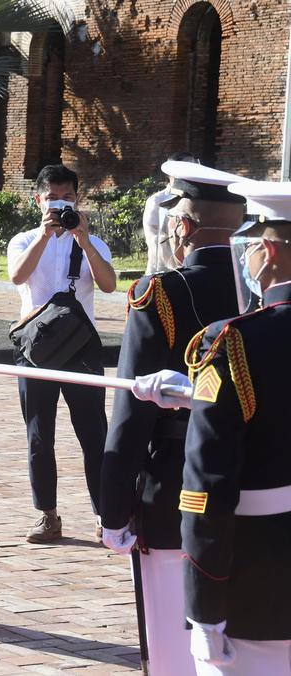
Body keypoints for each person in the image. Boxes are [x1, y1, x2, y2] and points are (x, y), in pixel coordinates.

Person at [99, 161, 246, 675]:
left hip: (178, 493)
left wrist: (114, 511)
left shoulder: (159, 293)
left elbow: (131, 414)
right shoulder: (272, 296)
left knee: (171, 651)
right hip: (261, 490)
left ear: (182, 226)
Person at [145, 180, 291, 676]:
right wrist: (196, 394)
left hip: (261, 581)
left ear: (268, 252)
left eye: (250, 246)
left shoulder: (235, 344)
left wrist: (205, 612)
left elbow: (206, 489)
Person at [7, 164, 116, 543]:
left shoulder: (92, 242)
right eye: (53, 197)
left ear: (78, 198)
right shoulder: (23, 239)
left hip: (80, 346)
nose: (60, 204)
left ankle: (105, 514)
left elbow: (108, 284)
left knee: (93, 432)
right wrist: (44, 234)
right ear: (38, 199)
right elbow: (18, 277)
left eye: (67, 197)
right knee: (40, 433)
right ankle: (48, 515)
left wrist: (82, 239)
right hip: (35, 347)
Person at [144, 152, 200, 274]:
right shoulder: (157, 201)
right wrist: (173, 266)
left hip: (191, 268)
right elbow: (154, 239)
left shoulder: (198, 200)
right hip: (163, 269)